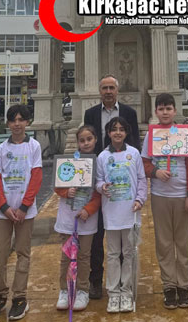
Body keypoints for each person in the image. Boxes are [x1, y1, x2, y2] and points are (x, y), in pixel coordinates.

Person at [83, 74, 140, 299]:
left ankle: (124, 283)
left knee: (123, 236)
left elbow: (134, 143)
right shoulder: (90, 113)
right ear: (100, 91)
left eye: (111, 88)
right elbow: (88, 142)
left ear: (117, 90)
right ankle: (96, 280)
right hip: (99, 179)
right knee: (97, 234)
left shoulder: (129, 113)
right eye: (104, 88)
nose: (108, 91)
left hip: (122, 184)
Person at [0, 105, 42, 321]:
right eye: (13, 120)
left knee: (23, 254)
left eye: (21, 119)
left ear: (27, 122)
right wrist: (4, 207)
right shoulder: (2, 149)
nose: (17, 124)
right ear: (8, 123)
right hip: (3, 212)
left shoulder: (34, 146)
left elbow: (36, 177)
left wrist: (24, 207)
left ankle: (20, 297)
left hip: (25, 211)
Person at [141, 93, 188, 310]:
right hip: (160, 196)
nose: (165, 112)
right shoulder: (151, 135)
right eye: (161, 108)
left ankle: (184, 285)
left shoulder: (184, 134)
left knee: (183, 243)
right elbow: (144, 163)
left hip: (182, 195)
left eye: (168, 108)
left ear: (175, 111)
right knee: (164, 243)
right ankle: (169, 285)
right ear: (156, 111)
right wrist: (155, 172)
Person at [96, 116, 147, 313]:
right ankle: (113, 293)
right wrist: (102, 187)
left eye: (121, 129)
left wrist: (140, 199)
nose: (118, 132)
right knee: (112, 254)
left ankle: (126, 291)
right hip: (111, 213)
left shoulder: (134, 153)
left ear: (126, 132)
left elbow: (141, 179)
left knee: (129, 252)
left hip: (130, 212)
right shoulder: (102, 156)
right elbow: (98, 180)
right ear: (109, 133)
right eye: (114, 129)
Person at [55, 125, 102, 312]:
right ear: (78, 142)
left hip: (86, 217)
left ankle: (82, 289)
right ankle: (64, 290)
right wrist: (66, 192)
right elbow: (57, 184)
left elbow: (98, 194)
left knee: (84, 256)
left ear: (95, 139)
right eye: (82, 140)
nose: (86, 143)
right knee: (67, 255)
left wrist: (88, 210)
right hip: (68, 215)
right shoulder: (68, 161)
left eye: (89, 139)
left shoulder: (99, 163)